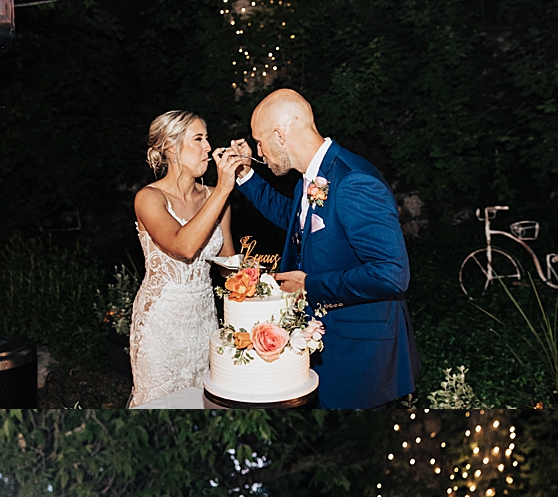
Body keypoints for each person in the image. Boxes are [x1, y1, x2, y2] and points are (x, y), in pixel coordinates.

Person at [227, 89, 420, 408]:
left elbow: (391, 274)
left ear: (280, 135)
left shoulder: (353, 181)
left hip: (362, 358)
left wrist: (310, 285)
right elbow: (291, 218)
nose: (258, 152)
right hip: (327, 344)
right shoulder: (312, 177)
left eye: (260, 142)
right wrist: (245, 175)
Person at [128, 110, 242, 406]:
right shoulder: (149, 198)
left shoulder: (216, 197)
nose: (208, 147)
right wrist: (224, 189)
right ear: (171, 147)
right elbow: (184, 246)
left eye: (207, 138)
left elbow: (228, 267)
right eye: (198, 139)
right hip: (160, 325)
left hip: (205, 321)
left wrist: (259, 279)